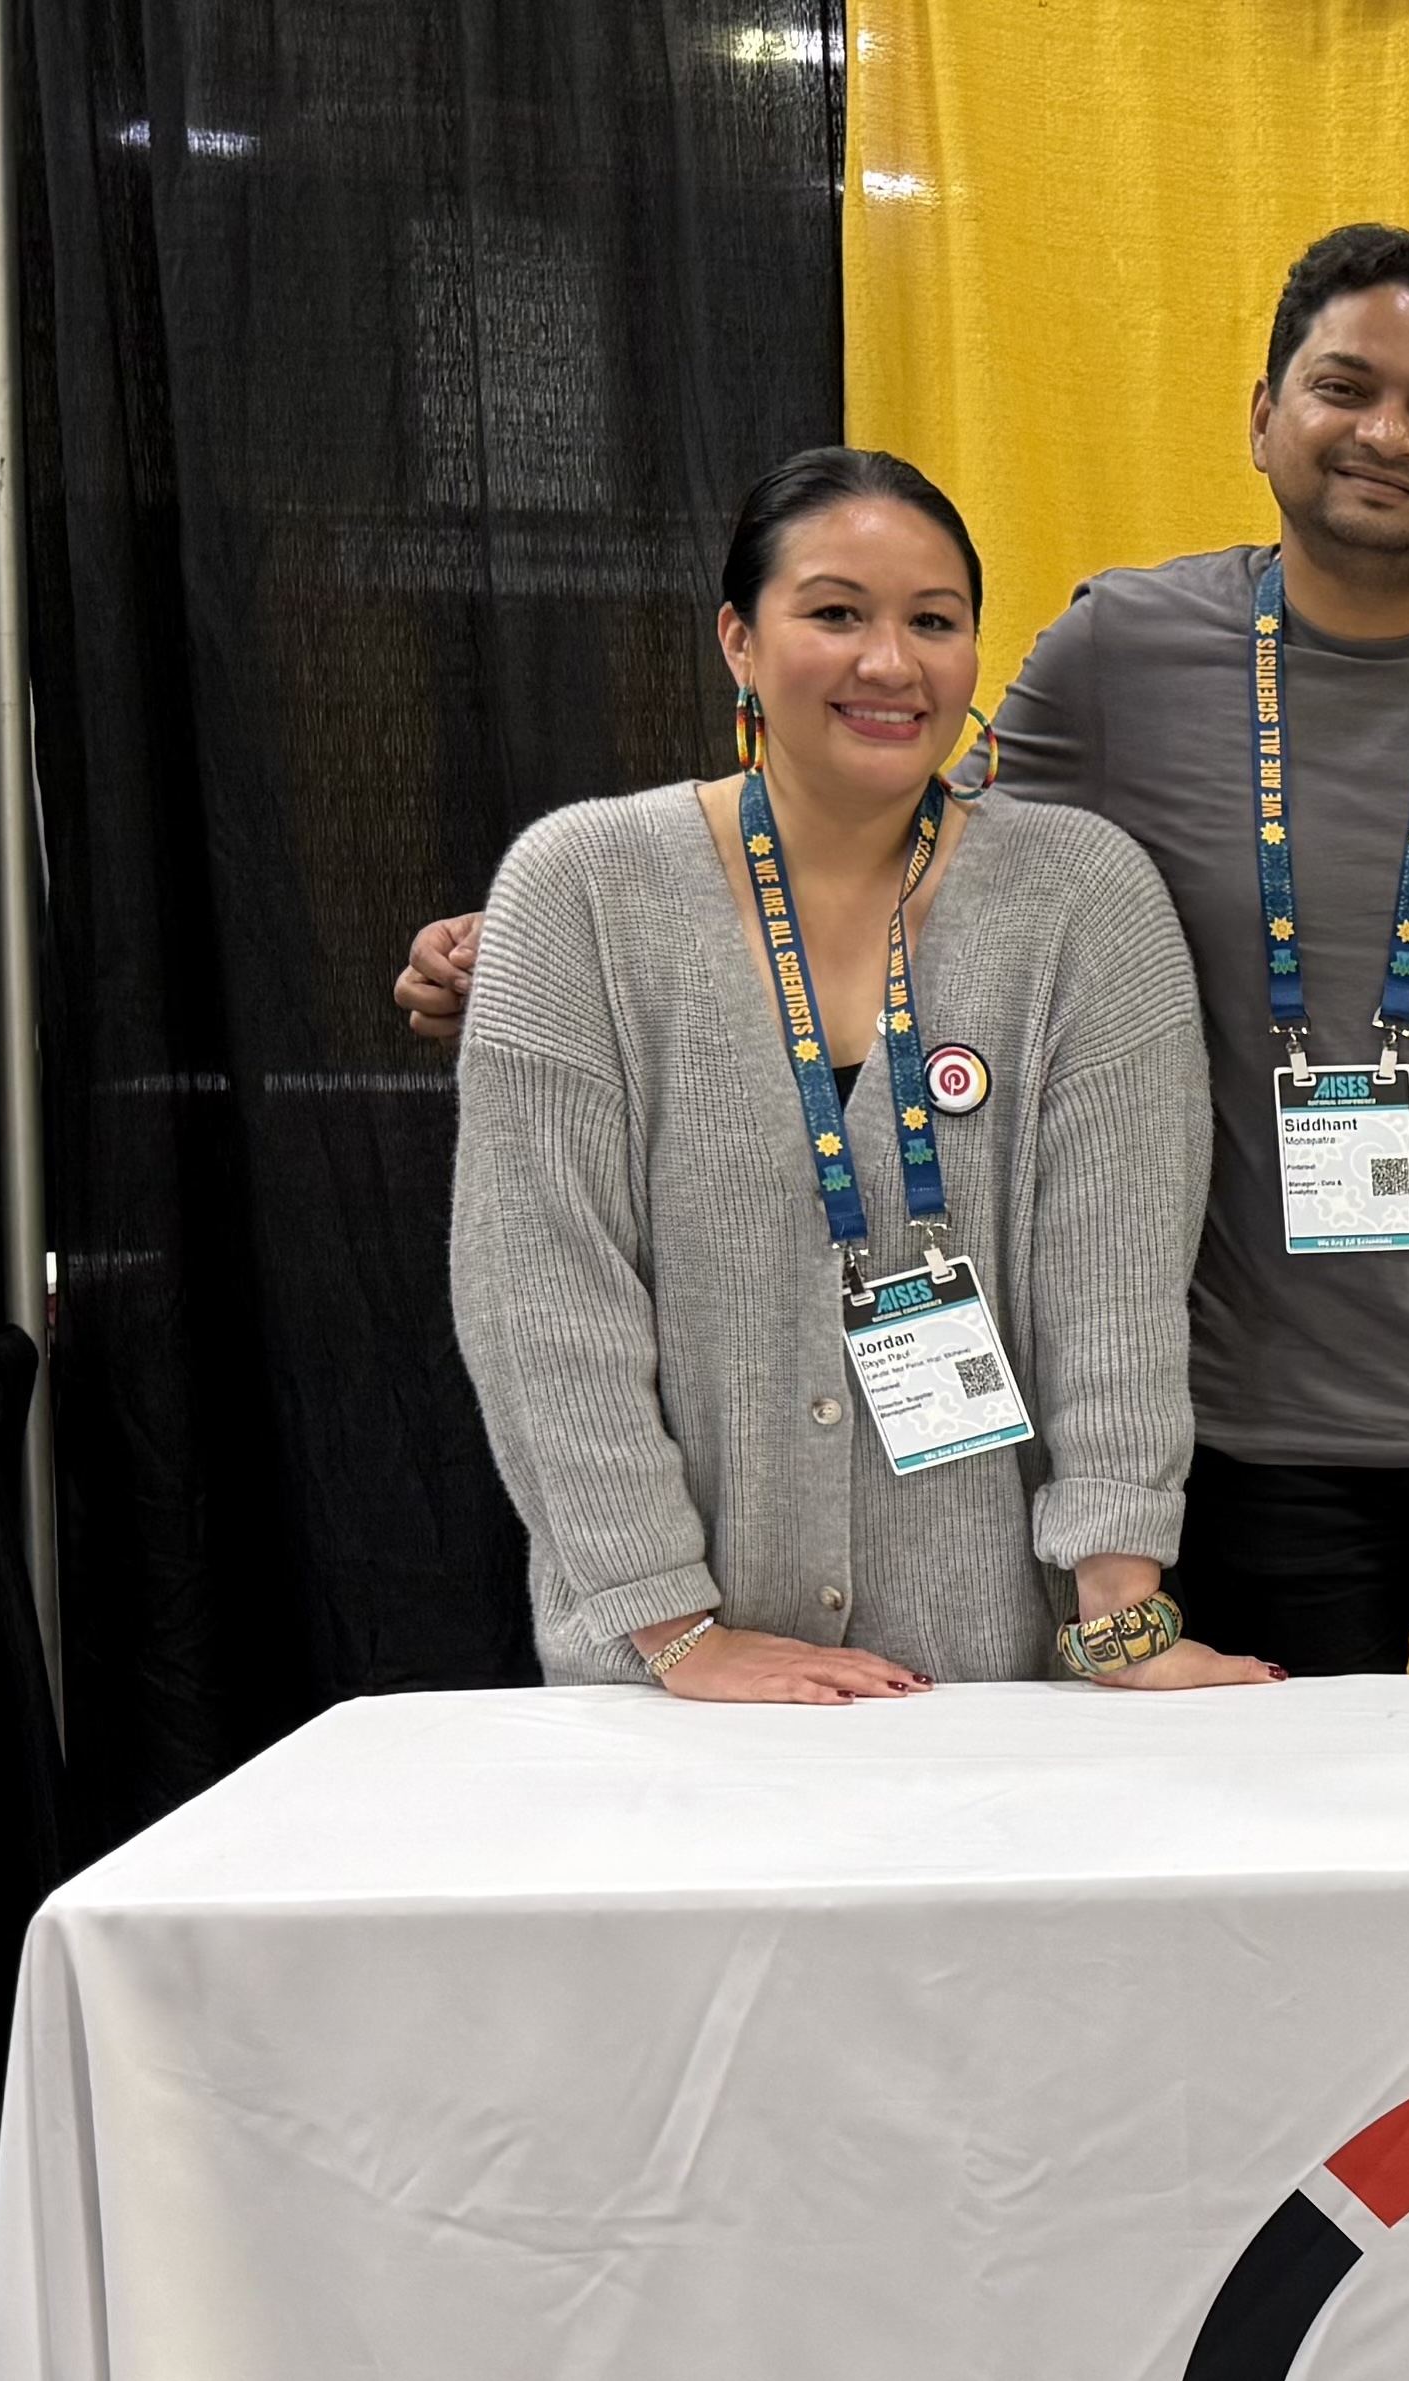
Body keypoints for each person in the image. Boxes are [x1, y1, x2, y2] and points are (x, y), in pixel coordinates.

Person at [414, 227, 1409, 1678]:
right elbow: (891, 792)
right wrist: (570, 946)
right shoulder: (1124, 649)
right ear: (1262, 414)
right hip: (1258, 1420)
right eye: (1345, 387)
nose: (1388, 434)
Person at [449, 447, 1262, 1700]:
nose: (891, 663)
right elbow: (542, 1305)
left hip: (988, 1686)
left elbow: (1115, 1292)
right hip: (663, 1700)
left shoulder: (1086, 902)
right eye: (835, 613)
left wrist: (1121, 1621)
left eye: (933, 622)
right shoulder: (582, 891)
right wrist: (677, 1635)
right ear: (739, 639)